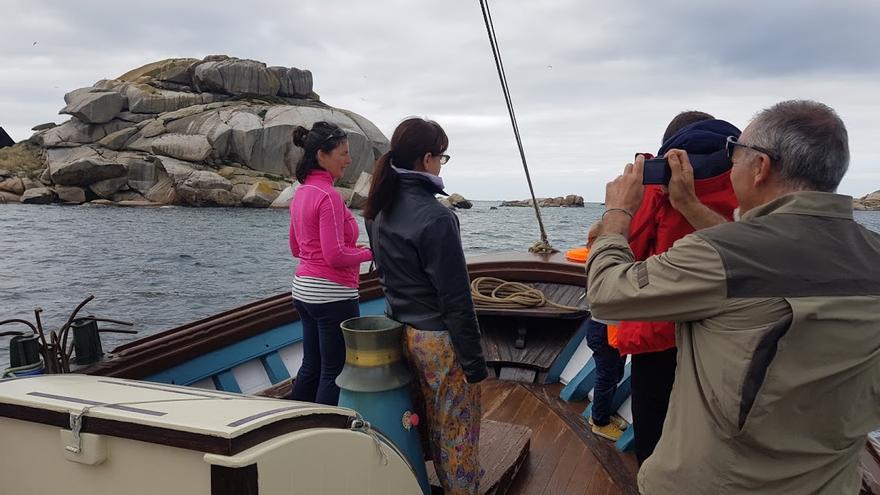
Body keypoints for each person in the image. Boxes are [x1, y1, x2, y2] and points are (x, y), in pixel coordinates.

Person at [587, 100, 880, 494]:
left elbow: (607, 294)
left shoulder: (719, 257)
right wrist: (690, 205)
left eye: (734, 154)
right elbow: (752, 253)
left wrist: (618, 212)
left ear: (760, 167)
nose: (730, 166)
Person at [364, 117, 488, 495]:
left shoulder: (377, 209)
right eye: (442, 157)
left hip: (400, 331)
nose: (442, 165)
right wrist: (474, 363)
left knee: (416, 420)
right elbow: (455, 299)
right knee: (455, 427)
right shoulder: (437, 217)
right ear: (428, 159)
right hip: (437, 341)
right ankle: (461, 488)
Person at [617, 112, 740, 464]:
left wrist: (619, 210)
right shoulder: (746, 176)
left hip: (661, 329)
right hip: (725, 332)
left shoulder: (658, 183)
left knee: (654, 433)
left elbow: (631, 250)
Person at [288, 121, 372, 406]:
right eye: (343, 153)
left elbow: (296, 248)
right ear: (322, 156)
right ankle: (324, 434)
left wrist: (351, 249)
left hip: (303, 292)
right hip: (332, 295)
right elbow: (335, 257)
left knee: (311, 365)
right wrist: (372, 254)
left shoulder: (300, 193)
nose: (349, 160)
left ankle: (294, 421)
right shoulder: (329, 196)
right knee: (334, 371)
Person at [584, 222, 628, 441]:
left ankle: (602, 414)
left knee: (614, 373)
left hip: (610, 329)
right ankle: (600, 422)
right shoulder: (603, 265)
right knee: (607, 376)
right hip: (604, 330)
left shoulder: (601, 261)